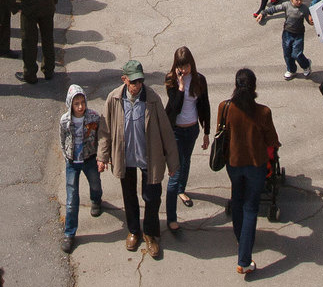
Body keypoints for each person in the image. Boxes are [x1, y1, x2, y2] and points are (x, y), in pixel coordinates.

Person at [101, 63, 179, 258]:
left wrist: (172, 162)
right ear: (124, 79)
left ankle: (150, 234)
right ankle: (134, 231)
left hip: (149, 158)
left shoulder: (152, 99)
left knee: (152, 197)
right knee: (129, 196)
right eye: (133, 81)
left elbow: (166, 132)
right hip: (125, 157)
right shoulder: (114, 98)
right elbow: (105, 130)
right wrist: (102, 156)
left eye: (140, 81)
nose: (137, 85)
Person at [217, 69, 278, 276]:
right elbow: (272, 140)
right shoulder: (263, 112)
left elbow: (220, 133)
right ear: (254, 87)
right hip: (256, 165)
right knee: (251, 207)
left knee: (237, 199)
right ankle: (244, 260)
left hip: (233, 163)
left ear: (236, 85)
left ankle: (240, 236)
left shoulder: (225, 107)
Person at [161, 49, 211, 236]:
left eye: (187, 65)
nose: (184, 69)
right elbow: (175, 107)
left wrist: (206, 132)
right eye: (181, 66)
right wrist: (181, 87)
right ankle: (171, 218)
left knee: (186, 160)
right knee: (175, 172)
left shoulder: (200, 80)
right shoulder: (171, 80)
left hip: (192, 129)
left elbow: (205, 105)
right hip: (176, 131)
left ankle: (182, 190)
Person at [57, 85, 108, 255]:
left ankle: (96, 200)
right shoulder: (65, 120)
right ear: (70, 104)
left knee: (95, 184)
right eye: (76, 103)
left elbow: (101, 136)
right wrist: (66, 156)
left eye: (82, 102)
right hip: (73, 161)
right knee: (72, 198)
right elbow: (62, 138)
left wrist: (101, 157)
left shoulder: (93, 116)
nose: (80, 107)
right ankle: (69, 233)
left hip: (89, 158)